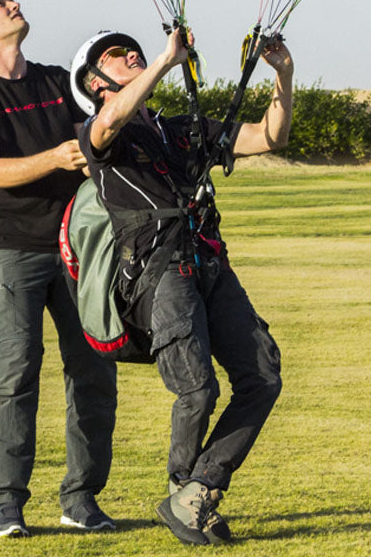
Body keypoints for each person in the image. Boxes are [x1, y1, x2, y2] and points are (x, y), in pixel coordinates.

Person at [67, 27, 291, 545]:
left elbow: (267, 136)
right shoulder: (100, 134)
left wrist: (283, 74)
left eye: (130, 49)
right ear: (95, 81)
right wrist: (166, 62)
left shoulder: (180, 129)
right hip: (158, 271)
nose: (129, 53)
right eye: (113, 56)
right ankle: (185, 492)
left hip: (210, 263)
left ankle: (195, 491)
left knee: (262, 376)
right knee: (197, 388)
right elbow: (110, 122)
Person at [0, 0, 118, 538]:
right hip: (13, 250)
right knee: (14, 375)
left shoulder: (54, 82)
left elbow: (102, 130)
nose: (14, 5)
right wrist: (59, 156)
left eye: (11, 0)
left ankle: (81, 498)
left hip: (78, 249)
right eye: (0, 6)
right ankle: (7, 505)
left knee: (94, 372)